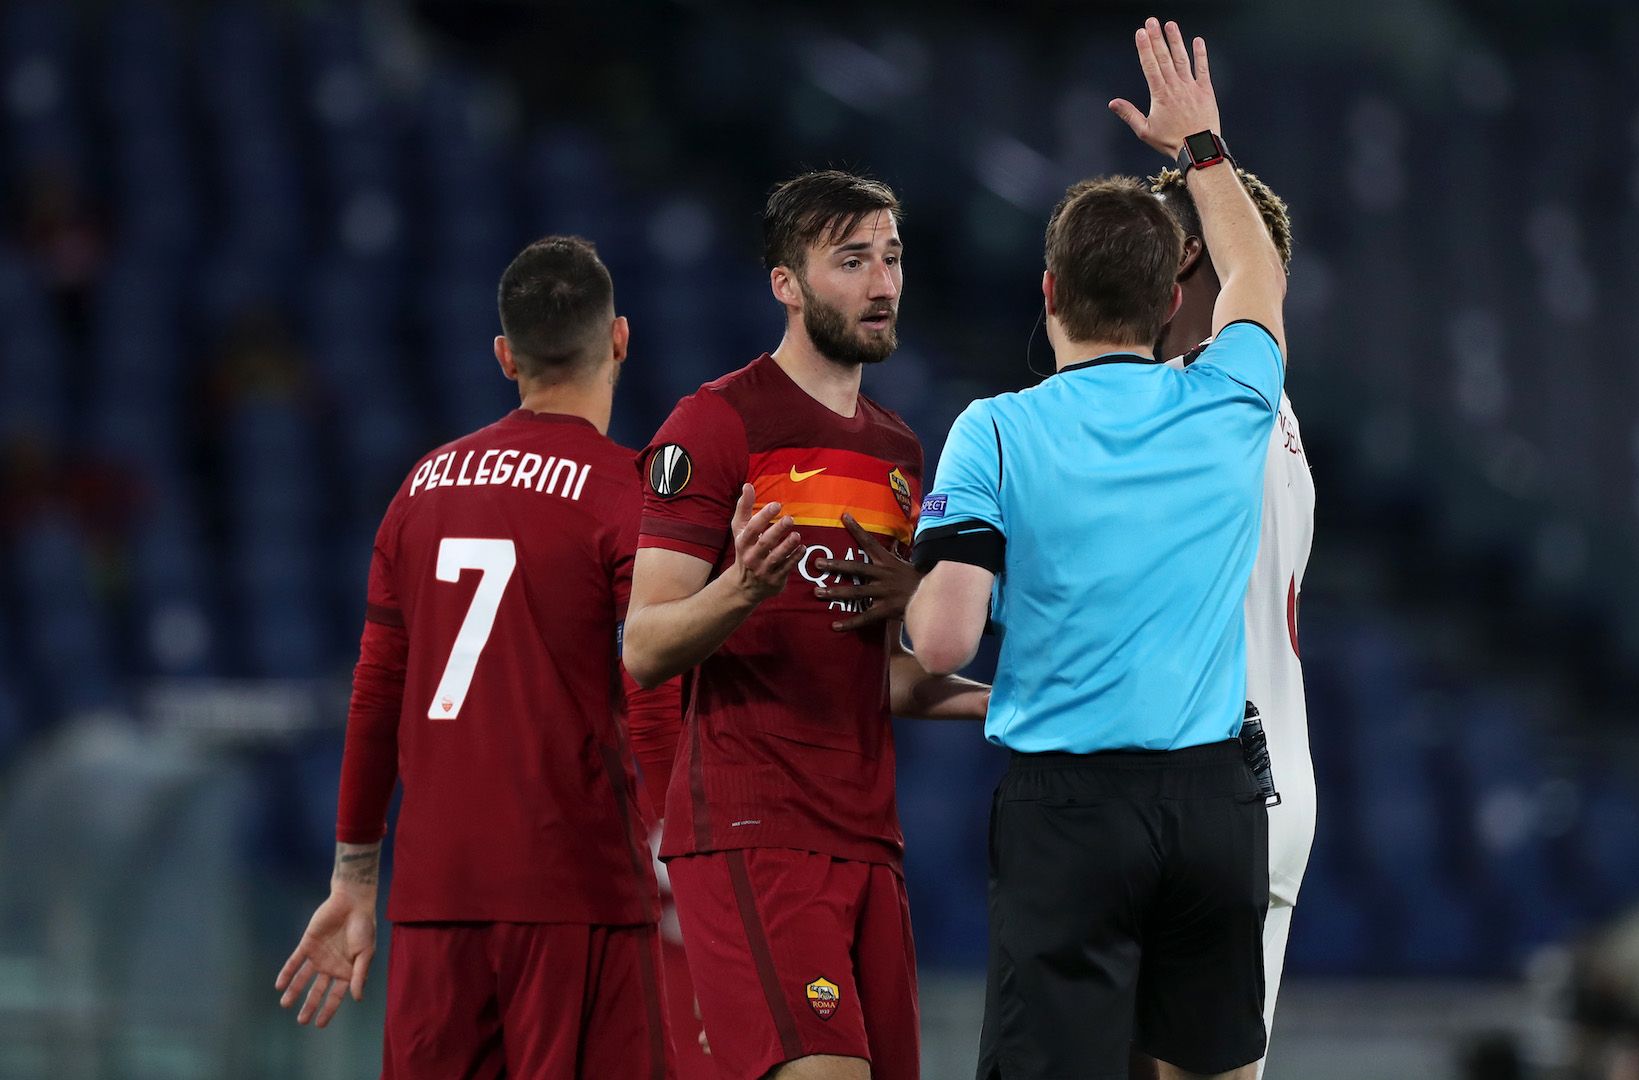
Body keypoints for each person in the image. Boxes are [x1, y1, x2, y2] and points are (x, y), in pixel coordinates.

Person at [906, 19, 1287, 1080]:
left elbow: (940, 640)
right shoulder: (1230, 400)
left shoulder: (996, 429)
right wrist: (1202, 148)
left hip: (1071, 813)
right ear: (1174, 305)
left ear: (1047, 293)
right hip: (1215, 805)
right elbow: (1259, 273)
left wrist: (913, 597)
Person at [622, 170, 990, 1080]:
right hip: (753, 827)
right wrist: (741, 590)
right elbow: (644, 646)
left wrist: (1020, 698)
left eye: (893, 259)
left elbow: (879, 673)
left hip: (868, 841)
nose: (882, 283)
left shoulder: (900, 453)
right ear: (785, 284)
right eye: (852, 260)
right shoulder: (714, 424)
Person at [274, 236, 671, 1079]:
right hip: (577, 892)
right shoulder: (625, 492)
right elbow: (656, 687)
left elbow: (376, 693)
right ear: (621, 339)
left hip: (433, 898)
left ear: (504, 356)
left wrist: (354, 877)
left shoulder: (420, 488)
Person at [1134, 163, 1312, 1080]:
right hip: (1265, 780)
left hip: (1216, 791)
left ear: (1190, 255)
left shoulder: (1197, 400)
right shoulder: (1270, 412)